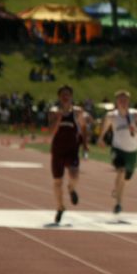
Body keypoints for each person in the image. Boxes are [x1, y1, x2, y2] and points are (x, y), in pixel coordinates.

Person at [98, 90, 137, 214]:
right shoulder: (111, 115)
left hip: (132, 151)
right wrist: (101, 138)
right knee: (121, 170)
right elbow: (103, 129)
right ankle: (118, 204)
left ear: (129, 101)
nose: (123, 102)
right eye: (120, 100)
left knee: (126, 179)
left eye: (125, 100)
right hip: (117, 149)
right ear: (116, 102)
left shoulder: (136, 115)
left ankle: (117, 189)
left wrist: (136, 130)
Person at [48, 85, 89, 224]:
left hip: (72, 150)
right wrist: (59, 118)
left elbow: (83, 128)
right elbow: (51, 132)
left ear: (71, 97)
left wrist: (85, 145)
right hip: (57, 151)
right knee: (57, 182)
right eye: (63, 95)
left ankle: (71, 188)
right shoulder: (54, 112)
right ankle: (60, 207)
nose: (65, 97)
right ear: (59, 97)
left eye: (68, 94)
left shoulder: (77, 112)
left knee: (74, 174)